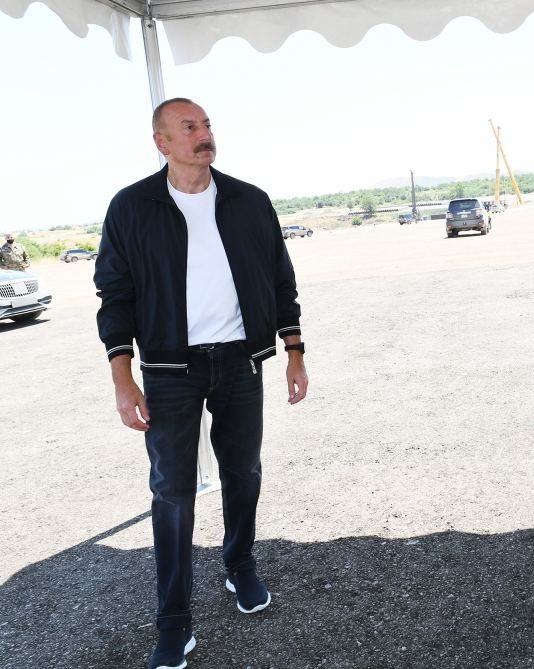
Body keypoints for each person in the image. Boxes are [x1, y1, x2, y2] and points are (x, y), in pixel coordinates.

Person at [94, 97, 308, 669]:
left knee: (244, 473)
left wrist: (294, 351)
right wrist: (123, 376)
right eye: (189, 127)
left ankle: (240, 567)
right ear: (162, 142)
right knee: (172, 491)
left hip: (241, 362)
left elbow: (281, 280)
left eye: (207, 125)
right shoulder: (132, 207)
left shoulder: (249, 201)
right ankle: (174, 620)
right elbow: (114, 297)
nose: (203, 135)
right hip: (168, 371)